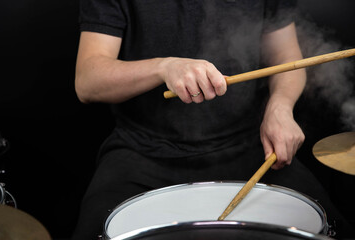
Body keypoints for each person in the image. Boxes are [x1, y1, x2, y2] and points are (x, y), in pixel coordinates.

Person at [71, 0, 352, 239]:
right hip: (141, 155)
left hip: (253, 149)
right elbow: (88, 81)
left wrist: (280, 107)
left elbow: (287, 58)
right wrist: (163, 66)